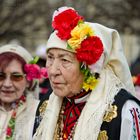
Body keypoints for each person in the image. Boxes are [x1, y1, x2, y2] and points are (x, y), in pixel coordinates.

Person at [33, 7, 140, 140]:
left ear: (89, 68)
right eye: (50, 57)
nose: (53, 71)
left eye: (65, 60)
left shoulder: (124, 110)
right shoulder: (47, 102)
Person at [0, 44, 47, 140]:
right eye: (1, 76)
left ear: (28, 81)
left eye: (16, 77)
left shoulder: (41, 113)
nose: (7, 84)